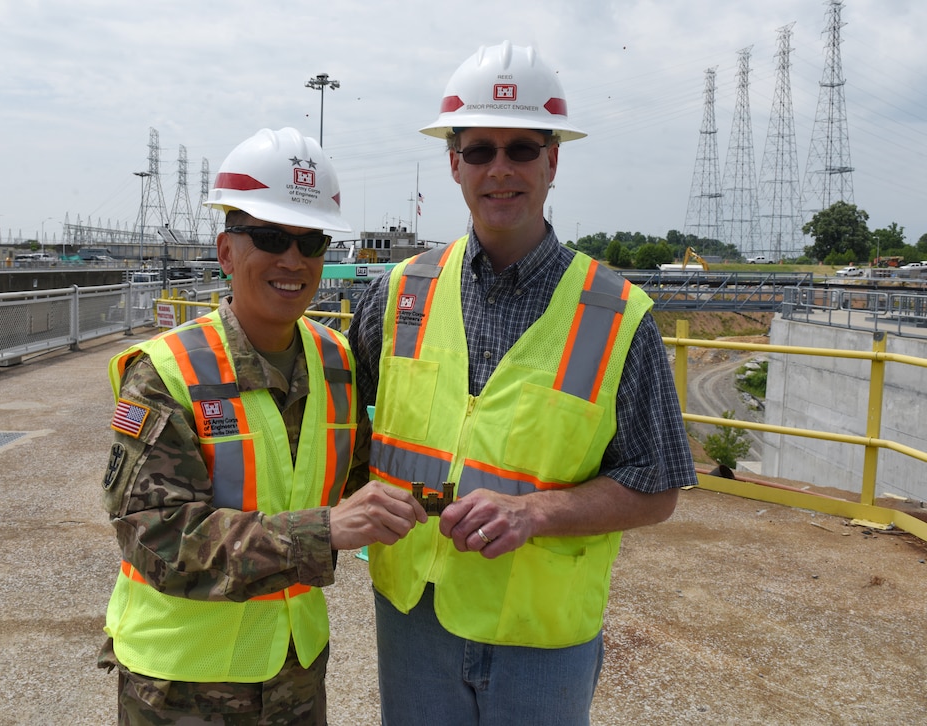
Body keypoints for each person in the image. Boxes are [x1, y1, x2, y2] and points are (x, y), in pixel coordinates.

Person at [347, 41, 699, 725]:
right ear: (453, 163)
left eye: (521, 149)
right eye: (479, 150)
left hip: (543, 637)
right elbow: (326, 422)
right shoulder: (400, 294)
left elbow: (655, 486)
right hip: (414, 617)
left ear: (553, 161)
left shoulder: (619, 315)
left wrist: (535, 513)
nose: (499, 169)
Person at [97, 127, 426, 725]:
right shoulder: (165, 373)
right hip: (182, 687)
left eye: (310, 240)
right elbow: (155, 537)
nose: (293, 260)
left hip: (294, 675)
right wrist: (322, 532)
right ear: (227, 252)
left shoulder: (337, 362)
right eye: (270, 237)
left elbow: (363, 482)